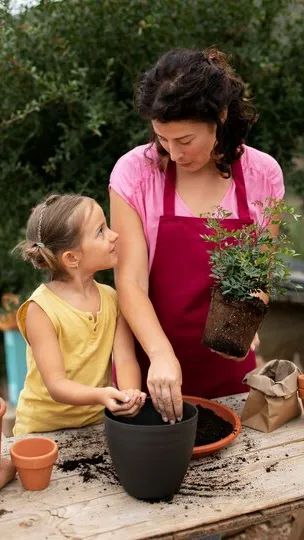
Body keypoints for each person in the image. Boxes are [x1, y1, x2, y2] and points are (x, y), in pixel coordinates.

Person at [109, 47, 285, 425]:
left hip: (229, 370)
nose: (172, 154)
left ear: (219, 117)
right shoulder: (134, 174)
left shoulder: (262, 174)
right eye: (162, 139)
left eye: (184, 140)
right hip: (149, 372)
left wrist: (246, 320)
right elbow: (129, 281)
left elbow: (258, 273)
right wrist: (160, 354)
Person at [13, 194, 146, 436]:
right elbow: (56, 385)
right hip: (41, 431)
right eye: (100, 232)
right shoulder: (40, 309)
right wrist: (101, 395)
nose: (114, 235)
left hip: (95, 426)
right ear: (72, 258)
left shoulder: (112, 298)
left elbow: (125, 358)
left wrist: (130, 394)